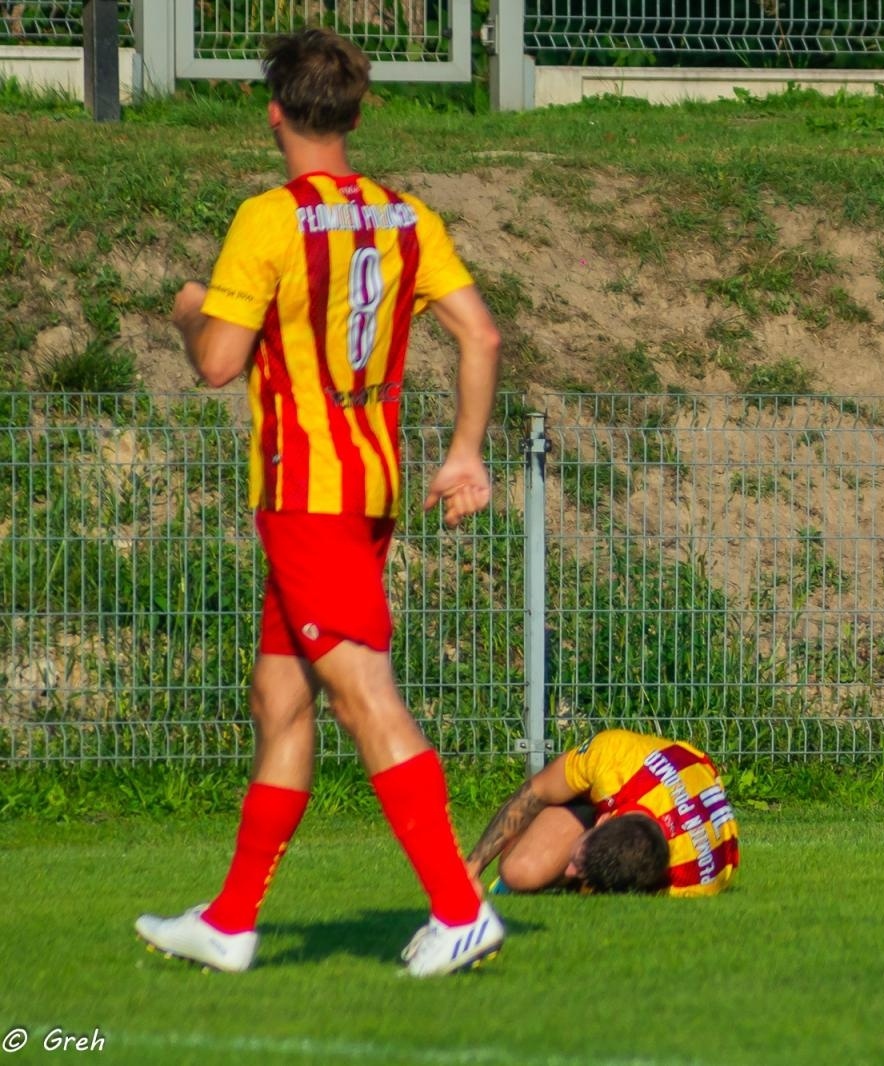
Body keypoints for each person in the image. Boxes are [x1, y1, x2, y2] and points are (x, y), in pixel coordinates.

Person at [135, 27, 505, 976]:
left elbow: (218, 362)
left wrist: (186, 307)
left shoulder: (268, 219)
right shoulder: (406, 216)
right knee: (280, 697)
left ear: (272, 112)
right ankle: (230, 922)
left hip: (307, 494)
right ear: (358, 108)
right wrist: (463, 452)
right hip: (367, 486)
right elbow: (483, 337)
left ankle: (461, 910)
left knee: (363, 695)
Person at [462, 729, 739, 898]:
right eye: (576, 863)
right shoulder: (612, 758)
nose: (569, 870)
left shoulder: (694, 878)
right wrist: (472, 868)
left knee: (530, 876)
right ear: (604, 818)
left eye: (578, 871)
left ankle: (574, 876)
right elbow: (536, 792)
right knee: (519, 872)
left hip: (684, 810)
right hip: (631, 779)